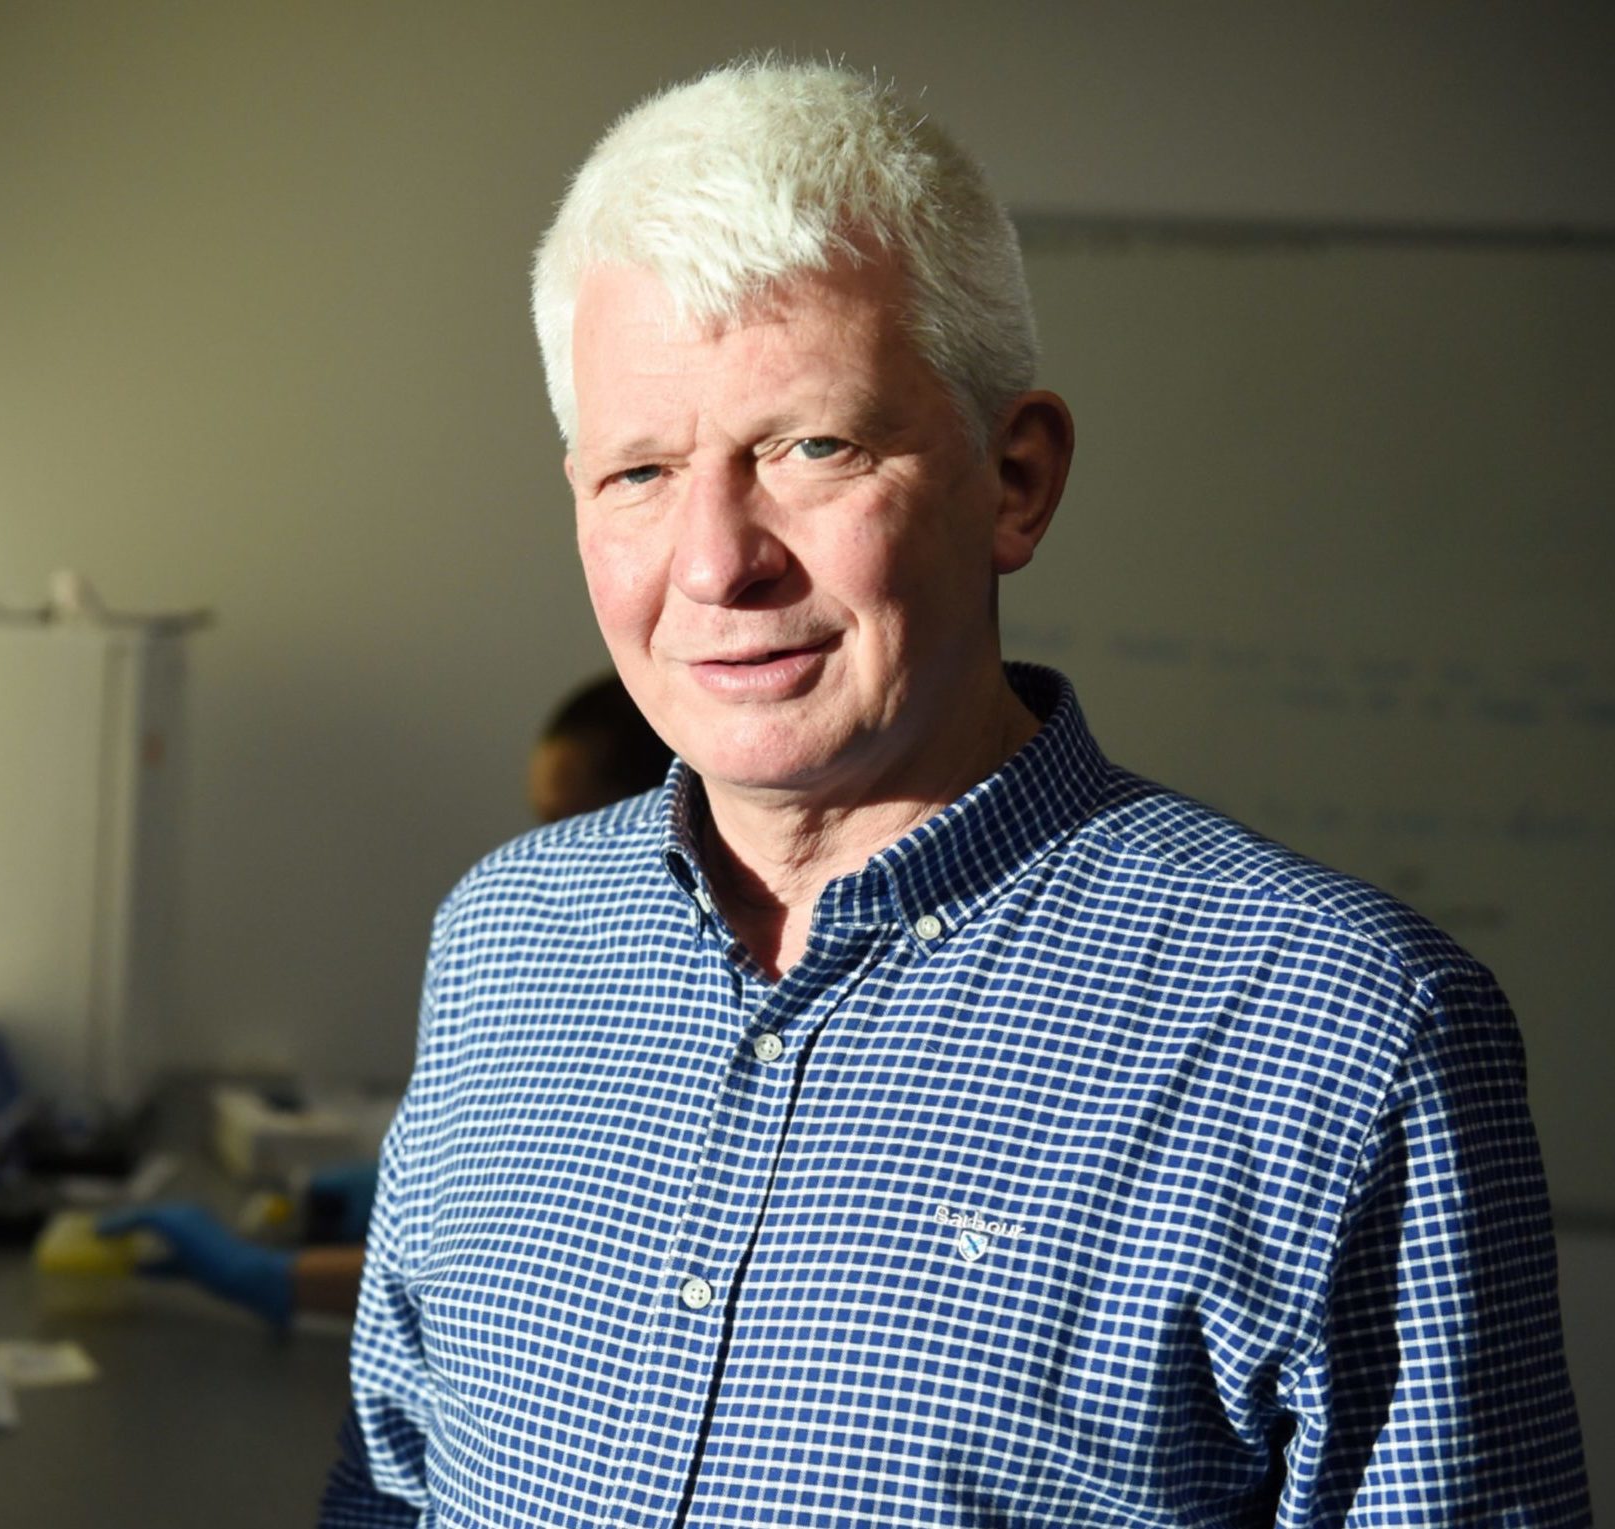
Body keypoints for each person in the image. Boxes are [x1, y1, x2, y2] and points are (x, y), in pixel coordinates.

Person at [322, 58, 1587, 1527]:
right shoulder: (505, 940)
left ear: (1016, 481)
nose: (717, 563)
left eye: (811, 447)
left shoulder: (1342, 1041)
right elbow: (390, 1484)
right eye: (643, 471)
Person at [104, 674, 672, 1329]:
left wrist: (270, 1276)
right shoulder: (593, 968)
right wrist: (418, 1186)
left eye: (569, 825)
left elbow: (535, 1268)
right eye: (540, 823)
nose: (548, 857)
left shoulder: (692, 1014)